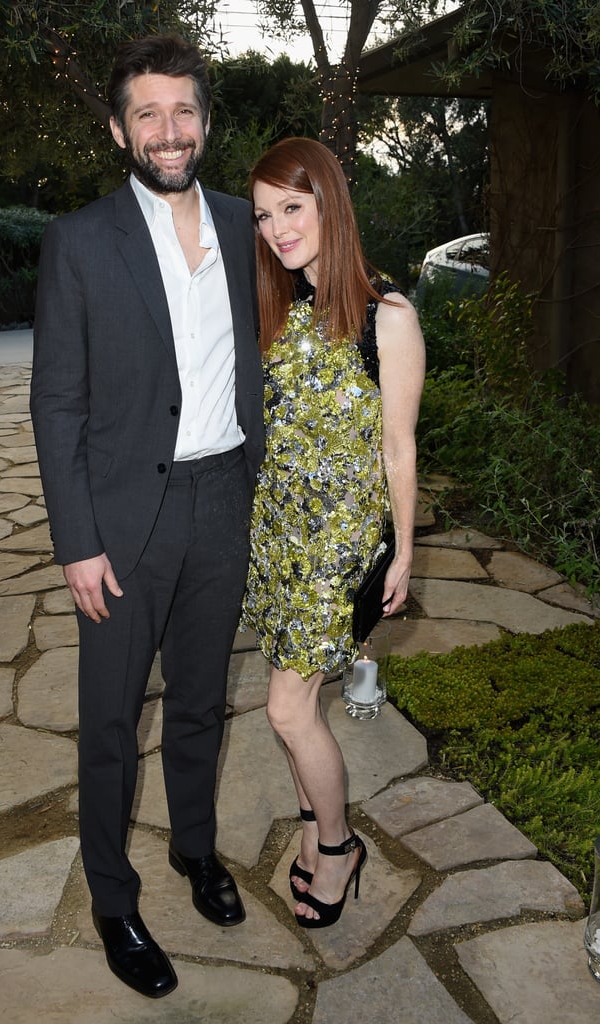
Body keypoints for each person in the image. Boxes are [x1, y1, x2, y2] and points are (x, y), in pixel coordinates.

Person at [30, 35, 264, 999]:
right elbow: (58, 404)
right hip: (124, 520)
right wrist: (77, 541)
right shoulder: (80, 241)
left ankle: (196, 852)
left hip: (223, 501)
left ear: (205, 120)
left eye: (184, 112)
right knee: (111, 721)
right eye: (148, 115)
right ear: (119, 129)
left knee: (204, 701)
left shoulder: (251, 226)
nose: (169, 132)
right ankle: (113, 900)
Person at [242, 137, 425, 928]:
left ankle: (341, 846)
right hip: (277, 537)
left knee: (287, 710)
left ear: (327, 204)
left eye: (291, 207)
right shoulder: (280, 305)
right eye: (263, 215)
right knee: (296, 708)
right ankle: (319, 834)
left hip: (338, 549)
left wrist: (405, 552)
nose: (277, 228)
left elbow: (398, 447)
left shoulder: (387, 316)